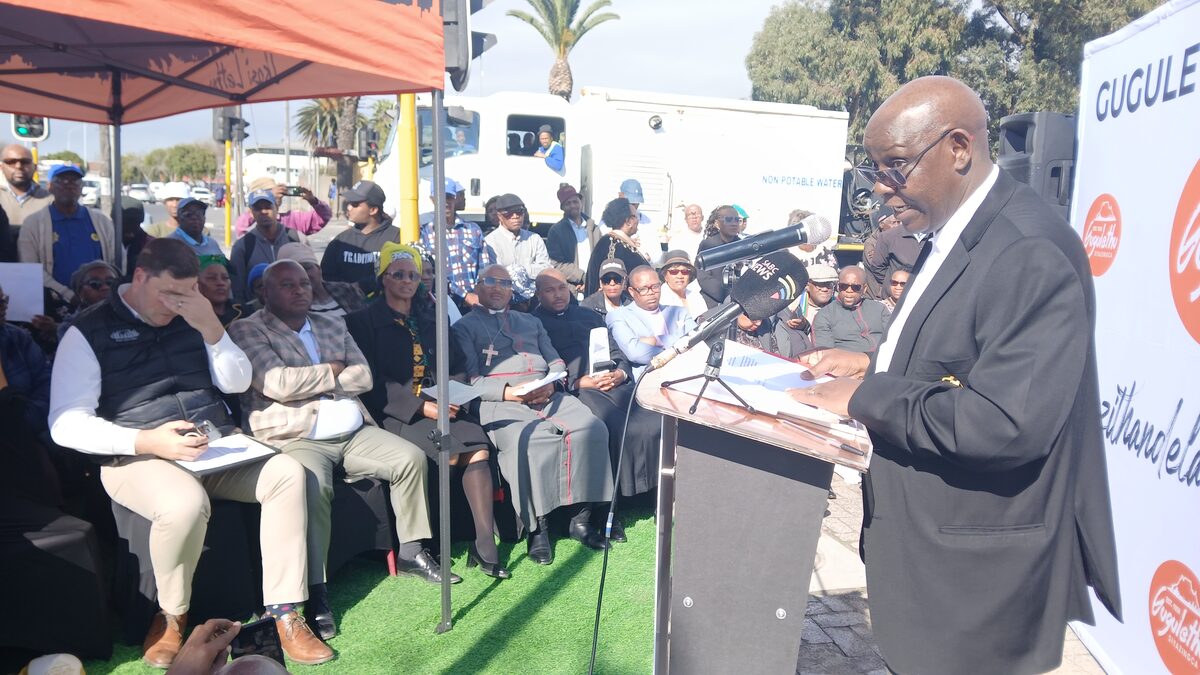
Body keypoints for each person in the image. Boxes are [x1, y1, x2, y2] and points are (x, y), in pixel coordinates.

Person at [790, 76, 1120, 675]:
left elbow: (1002, 423)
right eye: (876, 172)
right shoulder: (952, 232)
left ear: (959, 149)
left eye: (895, 168)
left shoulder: (1027, 250)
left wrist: (868, 395)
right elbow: (965, 354)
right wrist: (872, 363)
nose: (882, 190)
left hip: (978, 591)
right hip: (930, 565)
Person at [48, 238, 332, 667]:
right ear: (140, 277)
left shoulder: (195, 315)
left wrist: (213, 331)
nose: (175, 304)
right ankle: (170, 616)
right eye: (168, 293)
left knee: (288, 473)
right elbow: (64, 424)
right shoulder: (87, 331)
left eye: (186, 293)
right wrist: (145, 441)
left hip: (212, 444)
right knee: (184, 504)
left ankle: (285, 611)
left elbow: (237, 383)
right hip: (135, 453)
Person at [229, 260, 454, 641]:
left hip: (353, 430)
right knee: (311, 487)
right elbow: (278, 383)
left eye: (304, 283)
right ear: (265, 293)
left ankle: (412, 550)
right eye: (288, 285)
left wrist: (317, 379)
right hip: (295, 436)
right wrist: (334, 371)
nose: (300, 290)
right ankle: (316, 589)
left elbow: (363, 376)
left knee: (409, 458)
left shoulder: (331, 321)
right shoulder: (247, 328)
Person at [346, 243, 509, 579]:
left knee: (477, 446)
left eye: (414, 275)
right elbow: (374, 382)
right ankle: (430, 544)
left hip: (443, 403)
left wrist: (453, 394)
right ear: (384, 277)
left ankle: (483, 543)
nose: (407, 281)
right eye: (399, 274)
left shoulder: (431, 317)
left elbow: (456, 363)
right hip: (397, 412)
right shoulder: (362, 322)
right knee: (444, 449)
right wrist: (423, 406)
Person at [452, 265, 614, 564]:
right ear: (478, 287)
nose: (498, 288)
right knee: (532, 442)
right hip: (500, 400)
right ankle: (538, 528)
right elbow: (470, 380)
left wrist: (551, 384)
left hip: (548, 393)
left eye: (504, 283)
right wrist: (511, 392)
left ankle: (580, 520)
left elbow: (555, 361)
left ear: (512, 290)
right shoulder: (463, 327)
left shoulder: (529, 321)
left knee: (591, 429)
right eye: (490, 282)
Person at [533, 269, 658, 503]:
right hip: (576, 389)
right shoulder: (534, 323)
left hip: (612, 381)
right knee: (613, 425)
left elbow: (615, 349)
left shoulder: (587, 315)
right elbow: (540, 365)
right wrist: (576, 382)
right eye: (550, 290)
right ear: (538, 294)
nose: (558, 295)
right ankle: (616, 501)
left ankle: (653, 491)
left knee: (654, 419)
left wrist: (621, 372)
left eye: (562, 288)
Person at [18, 164, 119, 303]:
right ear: (50, 187)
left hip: (99, 303)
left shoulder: (102, 221)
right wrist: (67, 295)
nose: (68, 185)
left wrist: (103, 291)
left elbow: (116, 262)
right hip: (53, 304)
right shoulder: (33, 223)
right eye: (61, 181)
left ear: (81, 187)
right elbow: (30, 268)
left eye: (75, 181)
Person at [606, 265, 696, 374]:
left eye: (655, 287)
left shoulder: (679, 312)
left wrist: (655, 340)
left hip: (688, 374)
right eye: (643, 289)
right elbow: (635, 353)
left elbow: (696, 342)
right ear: (632, 291)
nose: (651, 292)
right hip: (650, 379)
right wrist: (678, 347)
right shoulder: (618, 316)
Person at [419, 177, 492, 307]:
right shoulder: (425, 233)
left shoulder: (474, 230)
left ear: (455, 198)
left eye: (449, 197)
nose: (446, 202)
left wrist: (479, 295)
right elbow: (429, 273)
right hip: (440, 305)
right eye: (441, 197)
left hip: (474, 305)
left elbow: (485, 269)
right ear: (432, 199)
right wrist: (464, 295)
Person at [321, 180, 400, 295]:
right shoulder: (340, 241)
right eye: (349, 203)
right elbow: (326, 280)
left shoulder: (396, 238)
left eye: (355, 204)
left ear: (373, 210)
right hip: (346, 309)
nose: (348, 208)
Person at [229, 190, 305, 304]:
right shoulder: (243, 246)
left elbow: (311, 277)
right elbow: (237, 289)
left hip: (294, 307)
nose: (263, 212)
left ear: (276, 208)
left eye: (268, 207)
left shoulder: (296, 238)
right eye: (258, 208)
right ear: (251, 212)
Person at [0, 284, 51, 434]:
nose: (4, 307)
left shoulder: (18, 337)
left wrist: (28, 417)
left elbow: (45, 380)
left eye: (4, 300)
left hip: (27, 430)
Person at [483, 193, 550, 301]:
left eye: (519, 212)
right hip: (503, 300)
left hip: (534, 300)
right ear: (499, 216)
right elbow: (495, 276)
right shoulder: (489, 242)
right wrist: (530, 269)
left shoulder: (535, 239)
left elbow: (546, 270)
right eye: (509, 213)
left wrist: (518, 270)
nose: (515, 216)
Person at [812, 266, 890, 353]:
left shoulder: (879, 309)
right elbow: (825, 353)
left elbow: (894, 337)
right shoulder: (824, 315)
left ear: (864, 289)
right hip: (849, 363)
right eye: (843, 286)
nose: (849, 291)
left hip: (886, 359)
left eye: (855, 287)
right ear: (838, 287)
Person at [279, 243, 364, 320]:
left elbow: (365, 321)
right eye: (294, 271)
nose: (303, 275)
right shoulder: (290, 305)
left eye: (307, 268)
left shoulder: (345, 290)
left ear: (319, 269)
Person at [584, 198, 648, 296]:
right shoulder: (613, 247)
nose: (638, 220)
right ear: (628, 221)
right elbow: (612, 288)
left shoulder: (614, 242)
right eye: (636, 216)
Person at [546, 184, 601, 292]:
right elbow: (557, 264)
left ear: (581, 203)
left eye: (575, 202)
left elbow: (602, 257)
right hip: (573, 288)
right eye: (568, 203)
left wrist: (595, 280)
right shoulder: (556, 231)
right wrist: (583, 277)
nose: (573, 206)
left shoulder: (594, 228)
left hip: (596, 285)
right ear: (562, 207)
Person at [1, 144, 53, 258]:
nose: (18, 166)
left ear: (35, 167)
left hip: (39, 271)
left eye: (25, 162)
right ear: (1, 167)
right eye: (11, 162)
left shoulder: (51, 201)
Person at [234, 179, 332, 238]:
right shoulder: (250, 222)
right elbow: (240, 230)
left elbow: (324, 217)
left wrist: (314, 201)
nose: (277, 195)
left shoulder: (292, 219)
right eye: (269, 192)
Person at [863, 207, 920, 299]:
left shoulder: (897, 239)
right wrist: (890, 282)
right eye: (894, 223)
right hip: (876, 294)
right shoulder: (872, 243)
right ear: (882, 224)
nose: (897, 226)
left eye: (899, 222)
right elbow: (877, 267)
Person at [695, 204, 742, 308]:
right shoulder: (708, 245)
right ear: (717, 224)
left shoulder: (743, 245)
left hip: (739, 300)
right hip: (713, 300)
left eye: (737, 220)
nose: (734, 224)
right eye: (729, 219)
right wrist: (726, 296)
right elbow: (703, 277)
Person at [59, 261, 121, 339]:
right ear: (80, 292)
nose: (105, 287)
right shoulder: (69, 327)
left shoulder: (131, 317)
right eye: (95, 283)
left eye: (111, 282)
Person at [656, 249, 707, 320]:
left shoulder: (694, 293)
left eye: (685, 271)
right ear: (665, 275)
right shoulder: (661, 299)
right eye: (673, 272)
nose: (680, 276)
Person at [196, 255, 242, 327]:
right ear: (196, 283)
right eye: (211, 278)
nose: (221, 283)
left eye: (225, 278)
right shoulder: (187, 320)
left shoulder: (242, 310)